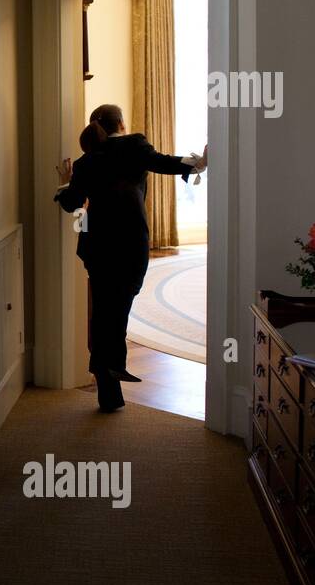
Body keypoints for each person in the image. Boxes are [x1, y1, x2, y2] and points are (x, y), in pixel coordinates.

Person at [54, 104, 207, 412]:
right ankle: (111, 364)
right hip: (130, 240)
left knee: (104, 309)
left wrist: (66, 181)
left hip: (96, 244)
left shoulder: (85, 163)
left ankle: (108, 380)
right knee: (120, 304)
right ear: (121, 123)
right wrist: (198, 164)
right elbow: (162, 163)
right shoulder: (134, 145)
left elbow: (72, 205)